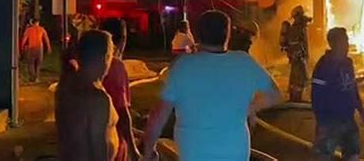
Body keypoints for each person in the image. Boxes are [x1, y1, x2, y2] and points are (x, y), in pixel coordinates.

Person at [143, 10, 282, 161]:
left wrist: (148, 151)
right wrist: (246, 109)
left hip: (194, 152)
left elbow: (158, 116)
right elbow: (275, 94)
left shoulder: (182, 66)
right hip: (235, 152)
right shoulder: (244, 62)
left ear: (197, 34)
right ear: (228, 34)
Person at [55, 30, 119, 161]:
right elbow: (98, 149)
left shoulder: (65, 86)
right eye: (111, 55)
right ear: (105, 57)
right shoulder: (97, 98)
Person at [311, 27, 364, 161]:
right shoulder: (323, 65)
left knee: (353, 153)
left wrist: (361, 110)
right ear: (334, 43)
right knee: (324, 155)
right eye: (345, 41)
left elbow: (352, 87)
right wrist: (322, 122)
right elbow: (316, 96)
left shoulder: (348, 63)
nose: (348, 45)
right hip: (330, 121)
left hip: (348, 118)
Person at [100, 18, 141, 161]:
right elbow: (121, 112)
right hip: (113, 141)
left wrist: (136, 132)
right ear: (123, 38)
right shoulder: (116, 66)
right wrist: (133, 149)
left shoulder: (87, 65)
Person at [279, 5, 312, 102]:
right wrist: (300, 55)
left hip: (298, 57)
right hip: (298, 57)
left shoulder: (300, 27)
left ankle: (296, 98)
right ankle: (295, 98)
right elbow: (294, 43)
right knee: (298, 78)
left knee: (298, 78)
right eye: (301, 15)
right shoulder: (296, 28)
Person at [21, 18, 52, 82]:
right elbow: (46, 39)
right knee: (38, 63)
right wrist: (48, 47)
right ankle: (37, 77)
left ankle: (33, 76)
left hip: (31, 47)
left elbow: (24, 39)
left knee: (31, 63)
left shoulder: (29, 30)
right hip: (39, 48)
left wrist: (22, 46)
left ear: (32, 23)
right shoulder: (42, 29)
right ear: (38, 23)